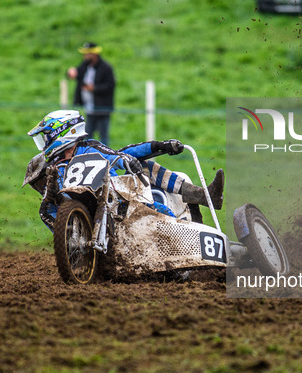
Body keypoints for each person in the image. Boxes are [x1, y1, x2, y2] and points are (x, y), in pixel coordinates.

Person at [23, 110, 224, 231]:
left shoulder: (89, 147)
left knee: (148, 178)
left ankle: (199, 202)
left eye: (46, 137)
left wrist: (157, 147)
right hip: (83, 215)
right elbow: (48, 207)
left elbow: (115, 155)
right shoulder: (53, 166)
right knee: (45, 210)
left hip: (118, 200)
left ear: (62, 132)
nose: (44, 144)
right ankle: (76, 243)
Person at [67, 42, 115, 145]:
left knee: (103, 137)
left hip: (102, 109)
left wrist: (94, 88)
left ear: (94, 54)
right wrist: (70, 72)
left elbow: (110, 85)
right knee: (87, 135)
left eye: (87, 53)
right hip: (89, 108)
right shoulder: (84, 66)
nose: (85, 56)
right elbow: (74, 73)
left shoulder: (106, 68)